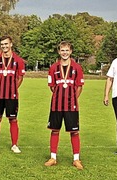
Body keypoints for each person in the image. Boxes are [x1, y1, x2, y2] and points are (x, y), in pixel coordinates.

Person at [44, 41, 84, 170]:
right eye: (62, 50)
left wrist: (72, 98)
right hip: (56, 105)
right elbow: (52, 87)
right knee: (55, 130)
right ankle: (53, 157)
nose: (64, 53)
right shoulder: (53, 68)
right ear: (59, 52)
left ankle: (76, 159)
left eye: (67, 50)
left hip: (71, 105)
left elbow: (79, 87)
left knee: (74, 132)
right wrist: (59, 96)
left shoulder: (77, 68)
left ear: (71, 51)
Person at [0, 35, 26, 154]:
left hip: (12, 95)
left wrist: (12, 88)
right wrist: (1, 85)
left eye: (6, 44)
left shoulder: (18, 60)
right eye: (2, 44)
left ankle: (14, 145)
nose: (4, 46)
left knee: (13, 119)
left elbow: (20, 77)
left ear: (11, 44)